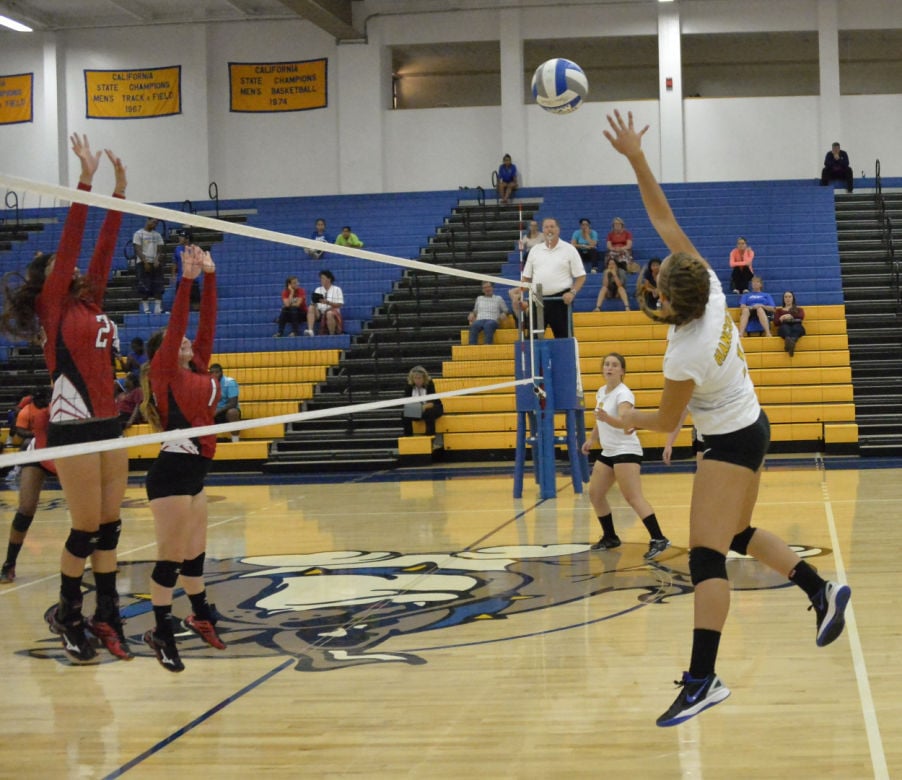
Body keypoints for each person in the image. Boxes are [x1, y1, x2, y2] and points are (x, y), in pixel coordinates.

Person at [602, 109, 851, 727]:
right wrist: (636, 158)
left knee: (706, 556)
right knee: (735, 534)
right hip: (749, 423)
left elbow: (662, 422)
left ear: (667, 296)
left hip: (732, 440)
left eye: (657, 280)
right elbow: (663, 220)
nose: (655, 277)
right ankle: (820, 590)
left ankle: (703, 679)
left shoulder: (682, 352)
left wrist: (625, 417)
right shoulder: (711, 286)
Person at [0, 134, 132, 663]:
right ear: (50, 280)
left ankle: (107, 615)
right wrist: (85, 181)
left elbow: (99, 248)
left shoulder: (91, 299)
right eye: (64, 267)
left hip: (108, 423)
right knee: (85, 527)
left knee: (111, 527)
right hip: (75, 424)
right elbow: (78, 239)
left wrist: (120, 192)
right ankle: (67, 615)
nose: (75, 269)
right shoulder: (56, 307)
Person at [139, 244, 226, 672]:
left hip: (195, 476)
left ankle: (199, 614)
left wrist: (210, 275)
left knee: (194, 558)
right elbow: (178, 327)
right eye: (180, 342)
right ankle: (160, 629)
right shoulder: (166, 372)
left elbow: (205, 324)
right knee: (170, 559)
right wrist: (186, 279)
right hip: (171, 475)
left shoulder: (199, 367)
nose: (188, 341)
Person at [580, 353, 670, 559]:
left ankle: (659, 538)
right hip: (609, 450)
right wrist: (592, 439)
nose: (609, 368)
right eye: (606, 364)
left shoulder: (624, 395)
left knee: (632, 497)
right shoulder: (602, 391)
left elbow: (625, 423)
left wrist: (607, 418)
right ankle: (610, 537)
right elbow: (600, 419)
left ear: (622, 371)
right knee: (595, 494)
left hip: (625, 450)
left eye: (614, 365)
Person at [0, 387, 55, 584]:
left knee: (85, 512)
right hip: (40, 451)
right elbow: (19, 431)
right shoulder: (31, 411)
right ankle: (9, 563)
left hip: (67, 451)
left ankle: (103, 557)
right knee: (26, 508)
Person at [509, 217, 585, 339]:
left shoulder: (569, 249)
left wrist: (572, 293)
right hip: (537, 300)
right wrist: (520, 294)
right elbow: (526, 279)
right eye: (546, 227)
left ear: (558, 230)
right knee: (533, 340)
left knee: (563, 339)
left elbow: (581, 276)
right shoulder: (534, 250)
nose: (549, 230)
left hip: (560, 300)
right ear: (542, 231)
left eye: (552, 227)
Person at [133, 217, 166, 315]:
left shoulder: (157, 235)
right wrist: (145, 261)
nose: (154, 225)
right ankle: (146, 309)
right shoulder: (138, 234)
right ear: (148, 220)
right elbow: (137, 249)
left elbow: (160, 249)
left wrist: (157, 259)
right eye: (153, 222)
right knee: (144, 286)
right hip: (143, 263)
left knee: (158, 285)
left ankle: (157, 308)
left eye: (156, 223)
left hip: (155, 263)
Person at [402, 366, 444, 436]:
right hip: (417, 409)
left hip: (432, 408)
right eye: (415, 378)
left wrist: (422, 407)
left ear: (424, 378)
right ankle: (408, 437)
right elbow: (406, 402)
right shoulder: (409, 385)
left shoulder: (430, 383)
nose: (417, 380)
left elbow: (432, 403)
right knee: (404, 414)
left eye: (419, 378)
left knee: (430, 412)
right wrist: (417, 408)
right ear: (412, 378)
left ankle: (429, 437)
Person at [468, 281, 509, 345]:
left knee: (488, 325)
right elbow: (475, 311)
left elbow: (506, 310)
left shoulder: (498, 298)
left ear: (492, 288)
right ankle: (472, 346)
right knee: (474, 325)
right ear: (482, 290)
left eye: (488, 287)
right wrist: (472, 314)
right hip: (480, 319)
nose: (487, 289)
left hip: (493, 320)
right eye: (485, 288)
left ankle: (488, 345)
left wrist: (504, 314)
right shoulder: (479, 298)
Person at [306, 269, 344, 336]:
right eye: (320, 278)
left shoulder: (337, 289)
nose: (321, 280)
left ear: (329, 279)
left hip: (332, 311)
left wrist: (328, 303)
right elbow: (313, 303)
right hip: (320, 312)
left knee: (329, 313)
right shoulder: (318, 289)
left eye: (323, 278)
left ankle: (332, 334)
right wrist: (314, 303)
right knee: (311, 307)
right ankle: (310, 330)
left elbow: (340, 304)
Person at [210, 363, 241, 443]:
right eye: (212, 373)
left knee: (233, 412)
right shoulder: (208, 383)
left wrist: (217, 411)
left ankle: (235, 441)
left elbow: (233, 403)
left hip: (226, 412)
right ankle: (205, 442)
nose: (214, 375)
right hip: (213, 412)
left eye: (217, 372)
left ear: (222, 373)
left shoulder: (230, 382)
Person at [173, 229, 200, 307]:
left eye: (181, 236)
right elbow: (175, 262)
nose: (179, 238)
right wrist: (173, 275)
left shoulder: (195, 249)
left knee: (196, 305)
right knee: (180, 305)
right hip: (181, 281)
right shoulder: (177, 249)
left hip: (193, 280)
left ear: (187, 239)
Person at [774, 290, 806, 357]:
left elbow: (801, 317)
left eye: (789, 297)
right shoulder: (779, 311)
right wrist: (780, 318)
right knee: (785, 327)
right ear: (783, 299)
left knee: (796, 327)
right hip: (784, 328)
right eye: (785, 297)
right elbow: (775, 323)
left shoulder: (799, 309)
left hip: (797, 327)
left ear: (793, 298)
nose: (788, 298)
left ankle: (789, 343)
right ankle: (791, 342)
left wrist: (791, 316)